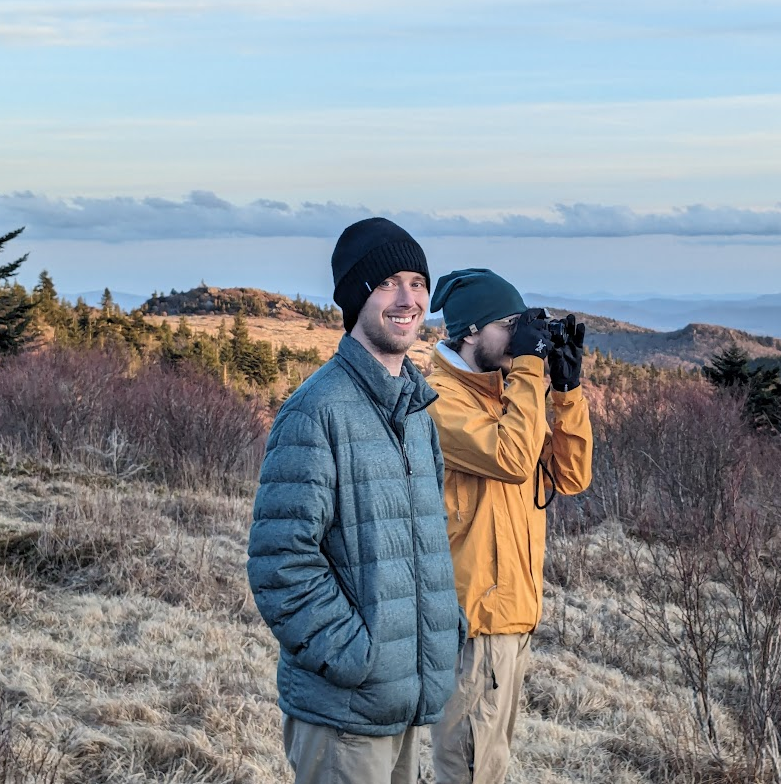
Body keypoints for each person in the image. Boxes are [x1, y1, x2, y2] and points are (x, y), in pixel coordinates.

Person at [247, 217, 464, 784]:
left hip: (407, 702)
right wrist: (355, 656)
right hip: (344, 715)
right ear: (355, 298)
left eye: (417, 283)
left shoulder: (416, 413)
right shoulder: (315, 411)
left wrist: (442, 634)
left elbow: (423, 544)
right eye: (388, 282)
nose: (408, 299)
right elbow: (280, 562)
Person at [426, 268, 593, 784]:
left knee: (490, 766)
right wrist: (528, 369)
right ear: (471, 331)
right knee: (468, 769)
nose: (521, 338)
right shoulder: (439, 399)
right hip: (473, 624)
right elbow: (514, 458)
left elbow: (570, 476)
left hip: (513, 617)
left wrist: (566, 391)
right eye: (510, 325)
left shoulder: (506, 396)